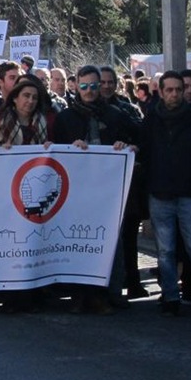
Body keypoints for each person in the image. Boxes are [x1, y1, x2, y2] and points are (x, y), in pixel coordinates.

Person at [53, 65, 137, 314]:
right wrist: (70, 146)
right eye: (84, 86)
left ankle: (105, 294)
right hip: (76, 191)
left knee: (108, 242)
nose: (89, 91)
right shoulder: (65, 117)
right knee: (78, 241)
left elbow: (138, 137)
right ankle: (79, 295)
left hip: (107, 192)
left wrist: (127, 145)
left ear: (100, 86)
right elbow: (55, 149)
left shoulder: (115, 114)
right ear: (76, 86)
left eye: (93, 86)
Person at [138, 71, 191, 317]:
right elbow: (143, 150)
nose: (174, 93)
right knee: (166, 250)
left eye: (178, 89)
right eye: (169, 89)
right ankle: (170, 296)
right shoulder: (151, 119)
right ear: (161, 92)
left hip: (190, 193)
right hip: (160, 193)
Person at [0, 76, 54, 149]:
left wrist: (52, 146)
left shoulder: (47, 122)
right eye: (26, 96)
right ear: (15, 98)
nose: (30, 101)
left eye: (34, 98)